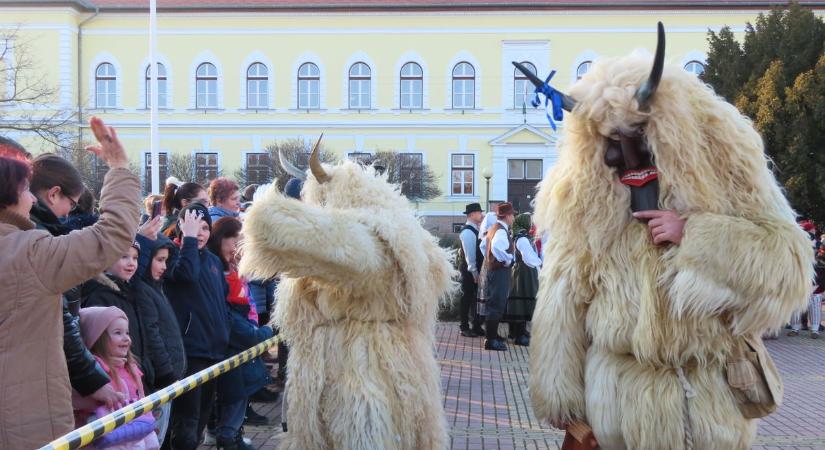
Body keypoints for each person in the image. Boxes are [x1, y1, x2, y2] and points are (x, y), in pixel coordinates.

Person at [528, 25, 812, 448]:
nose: (624, 156)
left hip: (706, 400)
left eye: (637, 137)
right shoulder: (584, 202)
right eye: (611, 141)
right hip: (618, 402)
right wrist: (560, 397)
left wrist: (695, 234)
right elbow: (562, 297)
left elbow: (788, 264)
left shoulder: (730, 177)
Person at [239, 141, 454, 450]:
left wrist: (264, 208)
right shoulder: (399, 234)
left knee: (363, 430)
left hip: (362, 370)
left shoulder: (379, 238)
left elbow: (283, 230)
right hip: (355, 365)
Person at [0, 117, 141, 449]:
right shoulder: (30, 252)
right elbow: (112, 235)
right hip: (25, 422)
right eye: (24, 191)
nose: (32, 201)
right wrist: (119, 168)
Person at [164, 203, 230, 450]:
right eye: (193, 228)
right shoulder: (172, 255)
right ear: (181, 228)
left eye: (204, 228)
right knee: (186, 422)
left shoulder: (213, 261)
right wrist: (188, 239)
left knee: (202, 418)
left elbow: (221, 302)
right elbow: (187, 275)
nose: (200, 233)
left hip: (213, 350)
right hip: (191, 352)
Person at [207, 216, 274, 449]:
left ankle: (229, 432)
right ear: (220, 238)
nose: (238, 245)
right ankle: (228, 434)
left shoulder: (233, 267)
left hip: (243, 330)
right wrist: (266, 330)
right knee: (232, 394)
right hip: (232, 339)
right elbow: (230, 312)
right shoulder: (216, 271)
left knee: (235, 393)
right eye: (234, 238)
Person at [75, 306, 160, 450]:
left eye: (127, 332)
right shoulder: (93, 373)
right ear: (97, 337)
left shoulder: (132, 368)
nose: (126, 338)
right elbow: (81, 406)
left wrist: (150, 433)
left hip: (135, 440)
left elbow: (142, 402)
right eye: (118, 333)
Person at [133, 220, 185, 447]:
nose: (164, 267)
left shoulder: (157, 288)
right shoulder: (144, 291)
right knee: (158, 438)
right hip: (161, 379)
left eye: (166, 260)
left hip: (169, 375)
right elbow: (153, 336)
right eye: (159, 260)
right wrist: (167, 372)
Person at [82, 241, 162, 391]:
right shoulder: (99, 297)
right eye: (124, 256)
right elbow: (100, 348)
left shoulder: (128, 292)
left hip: (137, 374)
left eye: (135, 258)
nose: (131, 263)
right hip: (117, 381)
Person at [478, 202, 516, 352]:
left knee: (494, 303)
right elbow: (495, 247)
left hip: (493, 270)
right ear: (506, 216)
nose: (513, 217)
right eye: (512, 215)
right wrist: (507, 260)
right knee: (496, 304)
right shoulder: (500, 231)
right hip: (499, 271)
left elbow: (483, 247)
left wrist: (489, 259)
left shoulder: (494, 228)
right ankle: (491, 340)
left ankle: (492, 336)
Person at [505, 213, 541, 346]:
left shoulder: (521, 236)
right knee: (521, 301)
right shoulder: (522, 239)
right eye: (530, 221)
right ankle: (519, 335)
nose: (532, 223)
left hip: (523, 271)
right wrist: (541, 264)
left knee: (520, 300)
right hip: (524, 272)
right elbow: (529, 257)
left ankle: (518, 331)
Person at [458, 202, 485, 337]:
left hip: (473, 270)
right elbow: (470, 255)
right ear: (472, 214)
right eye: (479, 212)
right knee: (467, 298)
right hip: (469, 271)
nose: (481, 215)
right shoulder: (468, 232)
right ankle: (464, 327)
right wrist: (474, 272)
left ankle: (476, 326)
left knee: (475, 299)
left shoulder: (475, 230)